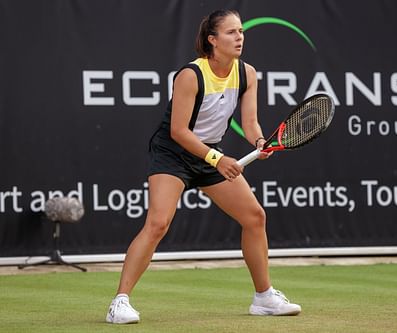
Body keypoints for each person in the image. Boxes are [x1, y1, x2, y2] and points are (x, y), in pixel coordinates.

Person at [105, 9, 301, 324]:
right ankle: (120, 302)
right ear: (212, 40)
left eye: (241, 31)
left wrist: (260, 142)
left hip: (211, 152)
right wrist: (217, 159)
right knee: (158, 223)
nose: (240, 37)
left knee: (254, 217)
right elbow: (178, 131)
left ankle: (264, 297)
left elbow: (249, 123)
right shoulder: (190, 75)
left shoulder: (247, 73)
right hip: (173, 153)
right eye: (231, 32)